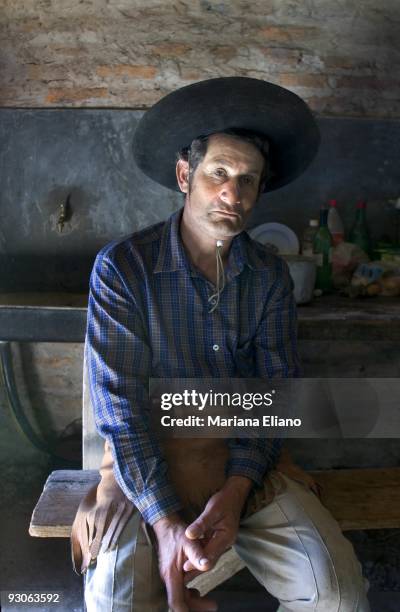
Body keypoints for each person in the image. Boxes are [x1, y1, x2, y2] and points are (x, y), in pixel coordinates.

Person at [71, 77, 370, 611]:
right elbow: (120, 410)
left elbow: (271, 399)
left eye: (248, 180)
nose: (233, 193)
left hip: (241, 470)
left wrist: (233, 497)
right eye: (219, 174)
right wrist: (164, 522)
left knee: (339, 594)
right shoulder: (124, 268)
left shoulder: (269, 277)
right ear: (186, 176)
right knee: (112, 602)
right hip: (144, 472)